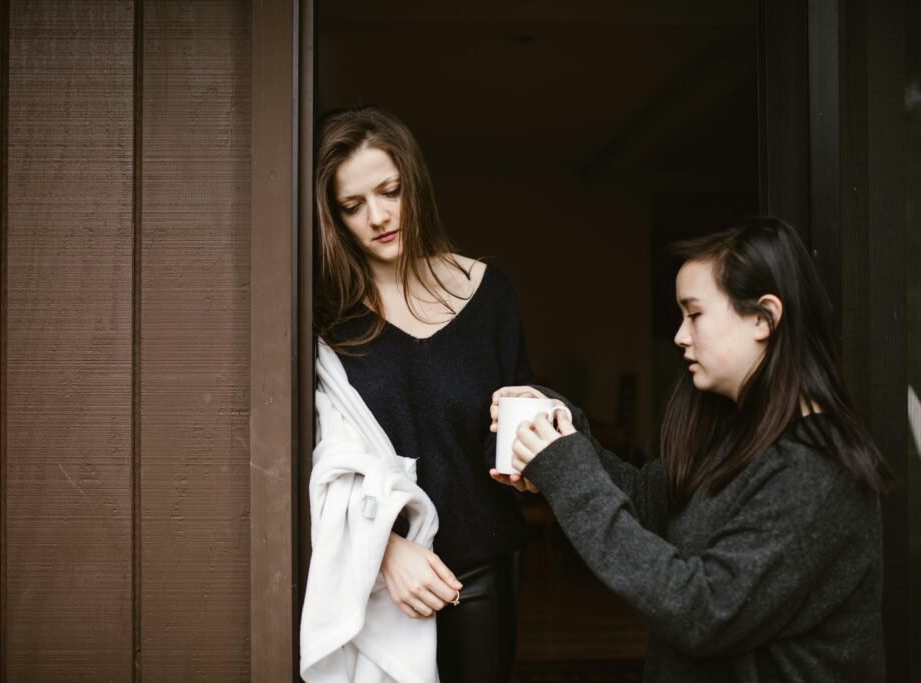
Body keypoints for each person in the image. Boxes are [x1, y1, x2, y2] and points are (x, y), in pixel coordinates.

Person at [490, 217, 890, 681]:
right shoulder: (738, 436)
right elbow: (644, 502)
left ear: (763, 318)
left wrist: (567, 469)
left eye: (694, 314)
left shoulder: (816, 469)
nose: (680, 335)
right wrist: (562, 431)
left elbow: (701, 612)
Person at [309, 106, 531, 682]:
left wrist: (530, 465)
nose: (379, 217)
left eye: (390, 191)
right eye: (353, 206)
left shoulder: (489, 295)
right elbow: (324, 462)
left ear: (415, 183)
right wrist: (383, 547)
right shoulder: (327, 322)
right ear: (333, 217)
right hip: (371, 572)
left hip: (476, 570)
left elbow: (507, 429)